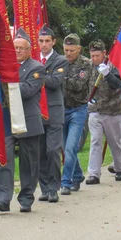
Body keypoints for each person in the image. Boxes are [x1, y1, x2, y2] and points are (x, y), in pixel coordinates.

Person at [0, 28, 45, 213]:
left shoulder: (36, 68)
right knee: (4, 158)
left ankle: (26, 198)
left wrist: (6, 80)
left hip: (27, 121)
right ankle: (2, 198)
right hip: (7, 119)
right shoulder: (4, 67)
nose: (17, 51)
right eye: (14, 48)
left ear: (29, 50)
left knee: (29, 162)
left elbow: (28, 90)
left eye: (21, 48)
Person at [85, 40, 121, 184]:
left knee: (114, 141)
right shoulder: (88, 66)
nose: (95, 58)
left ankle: (120, 167)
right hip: (94, 110)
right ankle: (93, 174)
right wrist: (86, 99)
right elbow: (83, 84)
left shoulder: (113, 66)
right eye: (92, 55)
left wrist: (108, 74)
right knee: (95, 140)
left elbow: (118, 85)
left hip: (112, 110)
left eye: (97, 55)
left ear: (104, 53)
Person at [37, 25, 68, 203]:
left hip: (54, 111)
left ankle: (54, 187)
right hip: (37, 112)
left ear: (53, 42)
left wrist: (35, 75)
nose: (44, 45)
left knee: (53, 150)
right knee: (40, 151)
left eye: (47, 41)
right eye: (41, 41)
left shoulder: (60, 60)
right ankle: (44, 187)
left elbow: (55, 82)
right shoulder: (34, 59)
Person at [60, 34, 91, 194]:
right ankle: (78, 175)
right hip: (62, 109)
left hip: (78, 110)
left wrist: (61, 77)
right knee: (66, 148)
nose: (68, 53)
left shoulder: (85, 64)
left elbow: (78, 85)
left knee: (71, 147)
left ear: (78, 49)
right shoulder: (60, 62)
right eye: (66, 50)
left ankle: (66, 182)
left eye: (72, 50)